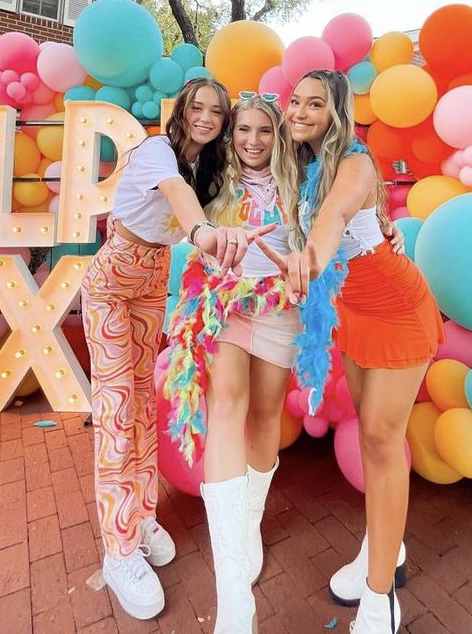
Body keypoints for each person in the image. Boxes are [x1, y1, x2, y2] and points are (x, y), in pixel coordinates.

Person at [260, 70, 445, 634]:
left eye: (316, 104)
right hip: (355, 313)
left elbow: (335, 216)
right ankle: (386, 548)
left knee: (383, 440)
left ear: (337, 114)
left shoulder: (355, 162)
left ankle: (381, 595)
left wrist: (306, 259)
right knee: (371, 435)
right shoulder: (299, 163)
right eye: (295, 102)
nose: (301, 111)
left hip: (396, 308)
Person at [81, 77, 272, 622]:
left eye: (217, 112)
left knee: (143, 403)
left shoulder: (208, 168)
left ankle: (139, 516)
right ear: (182, 111)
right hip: (114, 281)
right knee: (117, 411)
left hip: (151, 279)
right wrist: (203, 231)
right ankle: (118, 550)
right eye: (198, 108)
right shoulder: (156, 152)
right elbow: (177, 197)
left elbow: (239, 193)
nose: (206, 118)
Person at [165, 94, 299, 633]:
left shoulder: (299, 179)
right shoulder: (212, 172)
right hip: (222, 303)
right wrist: (217, 241)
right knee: (226, 405)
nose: (252, 140)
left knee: (265, 416)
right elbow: (188, 227)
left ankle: (248, 525)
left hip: (281, 308)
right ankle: (234, 598)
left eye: (264, 131)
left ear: (278, 136)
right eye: (243, 129)